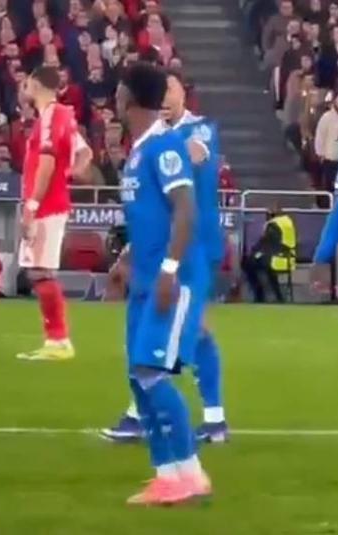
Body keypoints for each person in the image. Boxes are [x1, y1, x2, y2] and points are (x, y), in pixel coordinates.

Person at [101, 70, 229, 444]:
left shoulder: (195, 130)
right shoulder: (149, 143)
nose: (168, 97)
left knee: (184, 331)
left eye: (172, 89)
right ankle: (210, 419)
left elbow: (197, 154)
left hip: (195, 244)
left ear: (180, 94)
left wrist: (162, 144)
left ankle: (163, 424)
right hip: (167, 245)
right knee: (196, 331)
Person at [113, 63, 211, 506]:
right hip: (144, 280)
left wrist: (170, 269)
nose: (115, 98)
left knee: (152, 373)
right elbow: (150, 218)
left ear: (131, 98)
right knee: (138, 376)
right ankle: (166, 474)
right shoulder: (138, 151)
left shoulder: (165, 146)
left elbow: (185, 208)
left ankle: (191, 472)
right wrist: (126, 257)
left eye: (120, 91)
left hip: (169, 281)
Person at [15, 66, 85, 361]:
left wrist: (32, 206)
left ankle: (58, 340)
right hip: (52, 201)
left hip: (46, 205)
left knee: (41, 271)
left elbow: (47, 162)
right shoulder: (64, 116)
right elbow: (84, 153)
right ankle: (56, 339)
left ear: (36, 85)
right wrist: (67, 174)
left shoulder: (50, 117)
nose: (23, 88)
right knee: (39, 270)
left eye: (26, 83)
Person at [241, 205, 296, 303]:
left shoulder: (273, 225)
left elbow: (266, 244)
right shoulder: (287, 222)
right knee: (263, 266)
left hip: (276, 259)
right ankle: (278, 296)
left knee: (247, 263)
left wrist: (255, 253)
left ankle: (260, 294)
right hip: (288, 259)